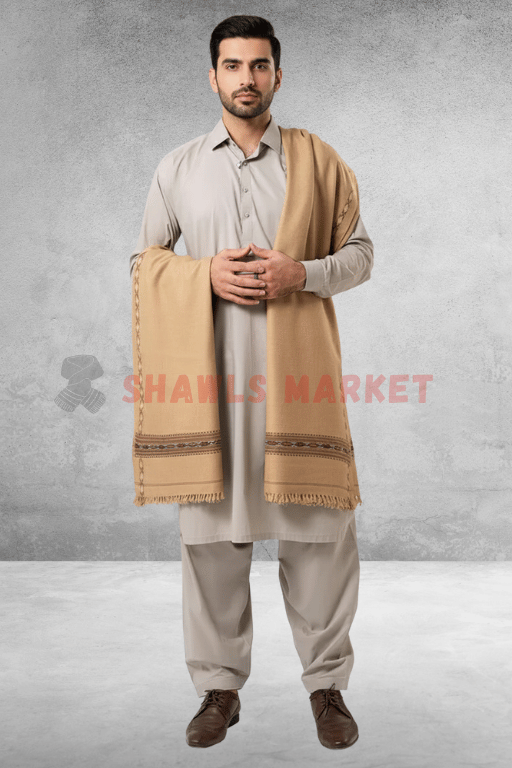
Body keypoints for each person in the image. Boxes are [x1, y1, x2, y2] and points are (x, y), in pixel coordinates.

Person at [129, 15, 373, 750]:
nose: (246, 78)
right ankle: (218, 690)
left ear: (277, 74)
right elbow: (144, 265)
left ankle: (327, 686)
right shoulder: (178, 168)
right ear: (213, 76)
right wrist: (202, 274)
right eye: (232, 66)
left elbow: (360, 254)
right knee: (211, 540)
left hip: (299, 383)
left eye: (259, 65)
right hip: (210, 387)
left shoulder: (318, 162)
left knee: (320, 536)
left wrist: (305, 272)